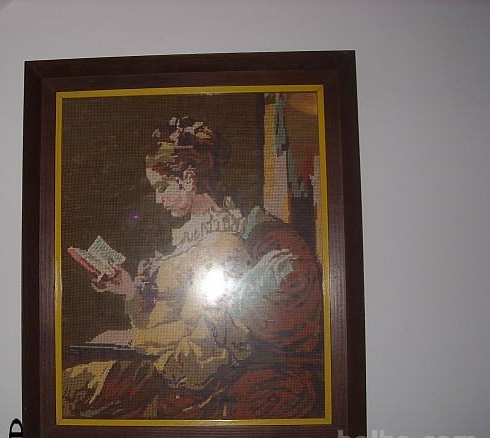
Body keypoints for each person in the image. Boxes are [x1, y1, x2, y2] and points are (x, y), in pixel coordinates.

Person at [63, 116, 323, 419]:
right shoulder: (189, 235)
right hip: (165, 354)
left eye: (162, 187)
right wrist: (129, 291)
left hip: (189, 367)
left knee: (75, 385)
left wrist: (133, 340)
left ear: (188, 179)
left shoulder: (227, 240)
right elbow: (165, 321)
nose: (158, 200)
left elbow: (201, 339)